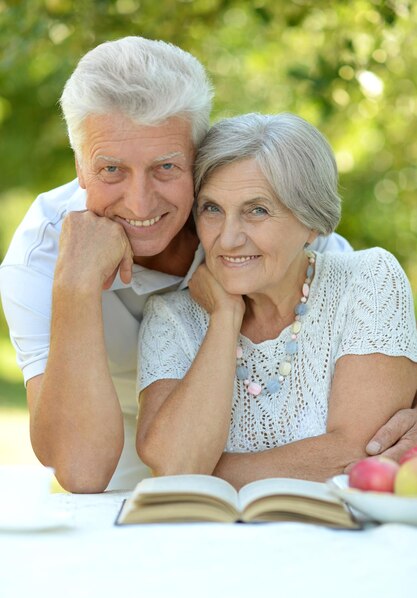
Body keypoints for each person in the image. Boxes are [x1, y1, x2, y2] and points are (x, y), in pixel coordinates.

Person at [0, 39, 416, 492]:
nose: (140, 202)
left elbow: (372, 387)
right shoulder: (39, 258)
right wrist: (76, 285)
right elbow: (81, 470)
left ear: (198, 159)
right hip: (121, 487)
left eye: (165, 167)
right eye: (111, 170)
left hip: (241, 484)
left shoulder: (258, 221)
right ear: (80, 167)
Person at [136, 113, 417, 486]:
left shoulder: (367, 280)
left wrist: (206, 470)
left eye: (257, 210)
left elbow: (357, 453)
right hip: (211, 541)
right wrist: (224, 318)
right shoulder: (170, 317)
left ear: (312, 222)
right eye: (212, 209)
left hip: (340, 539)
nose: (229, 238)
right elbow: (174, 464)